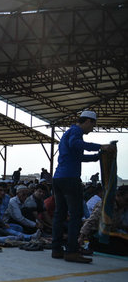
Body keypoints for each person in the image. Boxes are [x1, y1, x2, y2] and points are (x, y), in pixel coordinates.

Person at [52, 110, 115, 263]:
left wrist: (97, 157)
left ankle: (57, 249)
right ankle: (72, 251)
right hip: (70, 178)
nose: (92, 129)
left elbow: (79, 157)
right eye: (93, 125)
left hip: (58, 178)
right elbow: (76, 144)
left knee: (59, 214)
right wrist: (101, 147)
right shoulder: (75, 132)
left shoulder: (68, 134)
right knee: (75, 215)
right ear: (87, 122)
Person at [79, 185, 128, 256]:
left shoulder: (122, 207)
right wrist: (81, 236)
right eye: (126, 200)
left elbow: (119, 224)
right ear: (118, 196)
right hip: (98, 236)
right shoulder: (106, 205)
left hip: (112, 234)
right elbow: (91, 220)